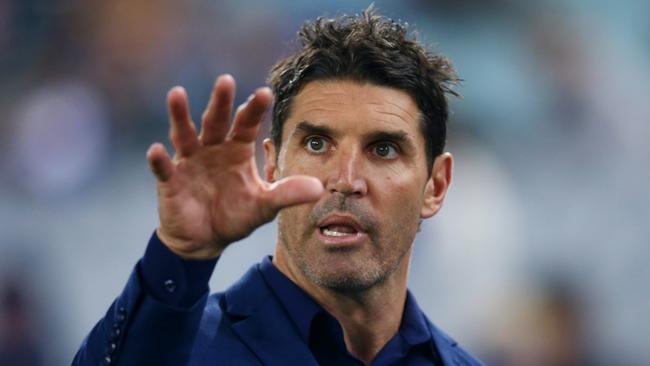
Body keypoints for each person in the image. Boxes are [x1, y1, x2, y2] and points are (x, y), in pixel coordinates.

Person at [73, 7, 484, 366]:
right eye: (317, 143)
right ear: (271, 164)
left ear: (436, 185)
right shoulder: (181, 350)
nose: (345, 180)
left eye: (383, 149)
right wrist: (179, 257)